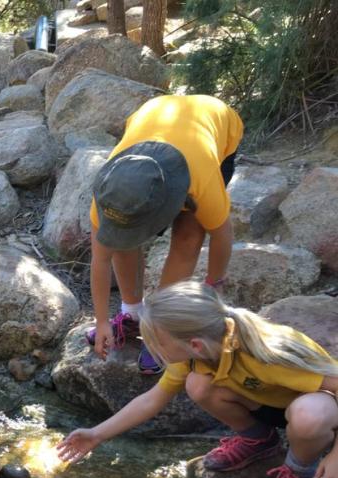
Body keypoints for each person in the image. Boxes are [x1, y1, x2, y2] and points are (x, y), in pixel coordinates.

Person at [57, 281, 338, 478]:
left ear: (194, 344)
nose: (153, 350)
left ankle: (298, 470)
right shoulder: (196, 355)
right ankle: (259, 440)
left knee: (308, 416)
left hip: (315, 408)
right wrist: (96, 435)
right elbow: (151, 400)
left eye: (158, 343)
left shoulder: (268, 354)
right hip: (269, 404)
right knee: (198, 384)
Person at [85, 95, 244, 374]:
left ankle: (160, 326)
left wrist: (213, 285)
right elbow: (100, 258)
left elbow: (220, 234)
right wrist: (101, 322)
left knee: (188, 236)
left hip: (213, 128)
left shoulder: (201, 179)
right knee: (122, 235)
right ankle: (133, 313)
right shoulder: (111, 190)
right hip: (153, 119)